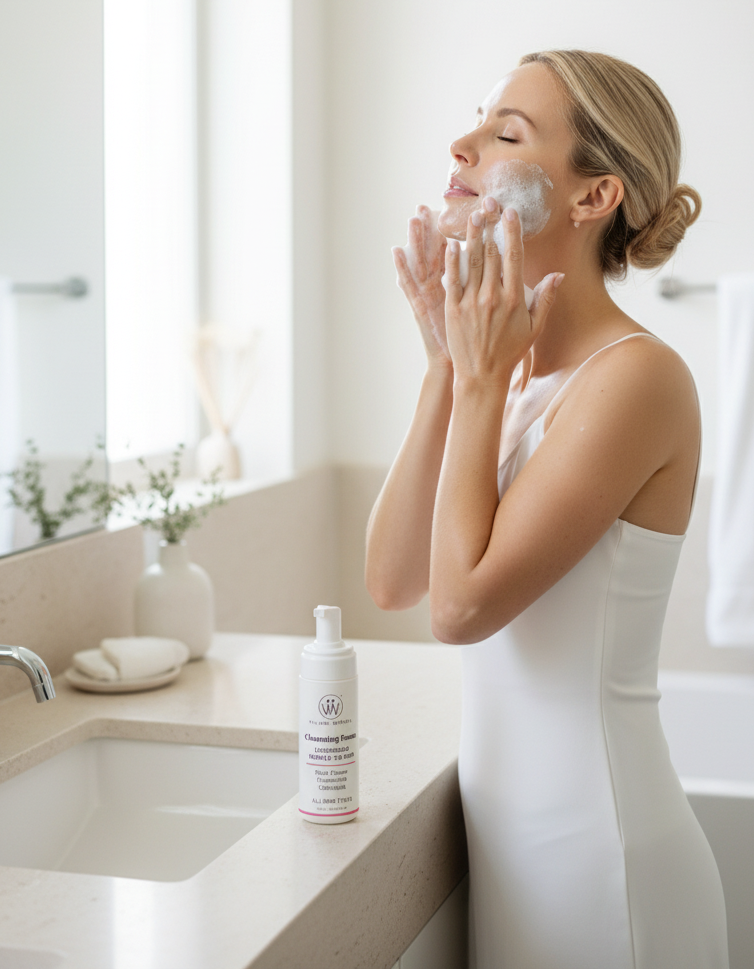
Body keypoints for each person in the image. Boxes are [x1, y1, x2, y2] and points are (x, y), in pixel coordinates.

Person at [365, 50, 728, 969]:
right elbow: (394, 580)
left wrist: (481, 381)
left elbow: (461, 610)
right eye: (477, 119)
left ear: (591, 197)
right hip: (519, 855)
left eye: (505, 134)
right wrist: (449, 368)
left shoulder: (636, 379)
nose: (462, 144)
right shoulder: (513, 372)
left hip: (603, 863)